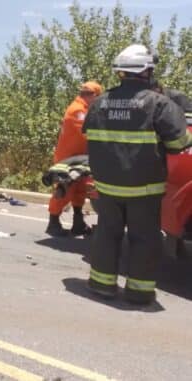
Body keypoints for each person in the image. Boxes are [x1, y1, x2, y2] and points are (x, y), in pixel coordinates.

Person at [84, 44, 192, 304]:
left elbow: (89, 135)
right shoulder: (159, 104)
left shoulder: (99, 103)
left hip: (107, 185)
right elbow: (180, 144)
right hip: (144, 187)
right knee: (143, 238)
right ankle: (139, 292)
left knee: (107, 234)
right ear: (146, 71)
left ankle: (101, 285)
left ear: (120, 72)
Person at [46, 81, 103, 237]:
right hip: (68, 158)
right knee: (65, 189)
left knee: (80, 190)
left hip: (79, 157)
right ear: (92, 95)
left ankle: (78, 223)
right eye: (98, 97)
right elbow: (88, 133)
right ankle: (53, 222)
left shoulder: (84, 109)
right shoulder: (78, 111)